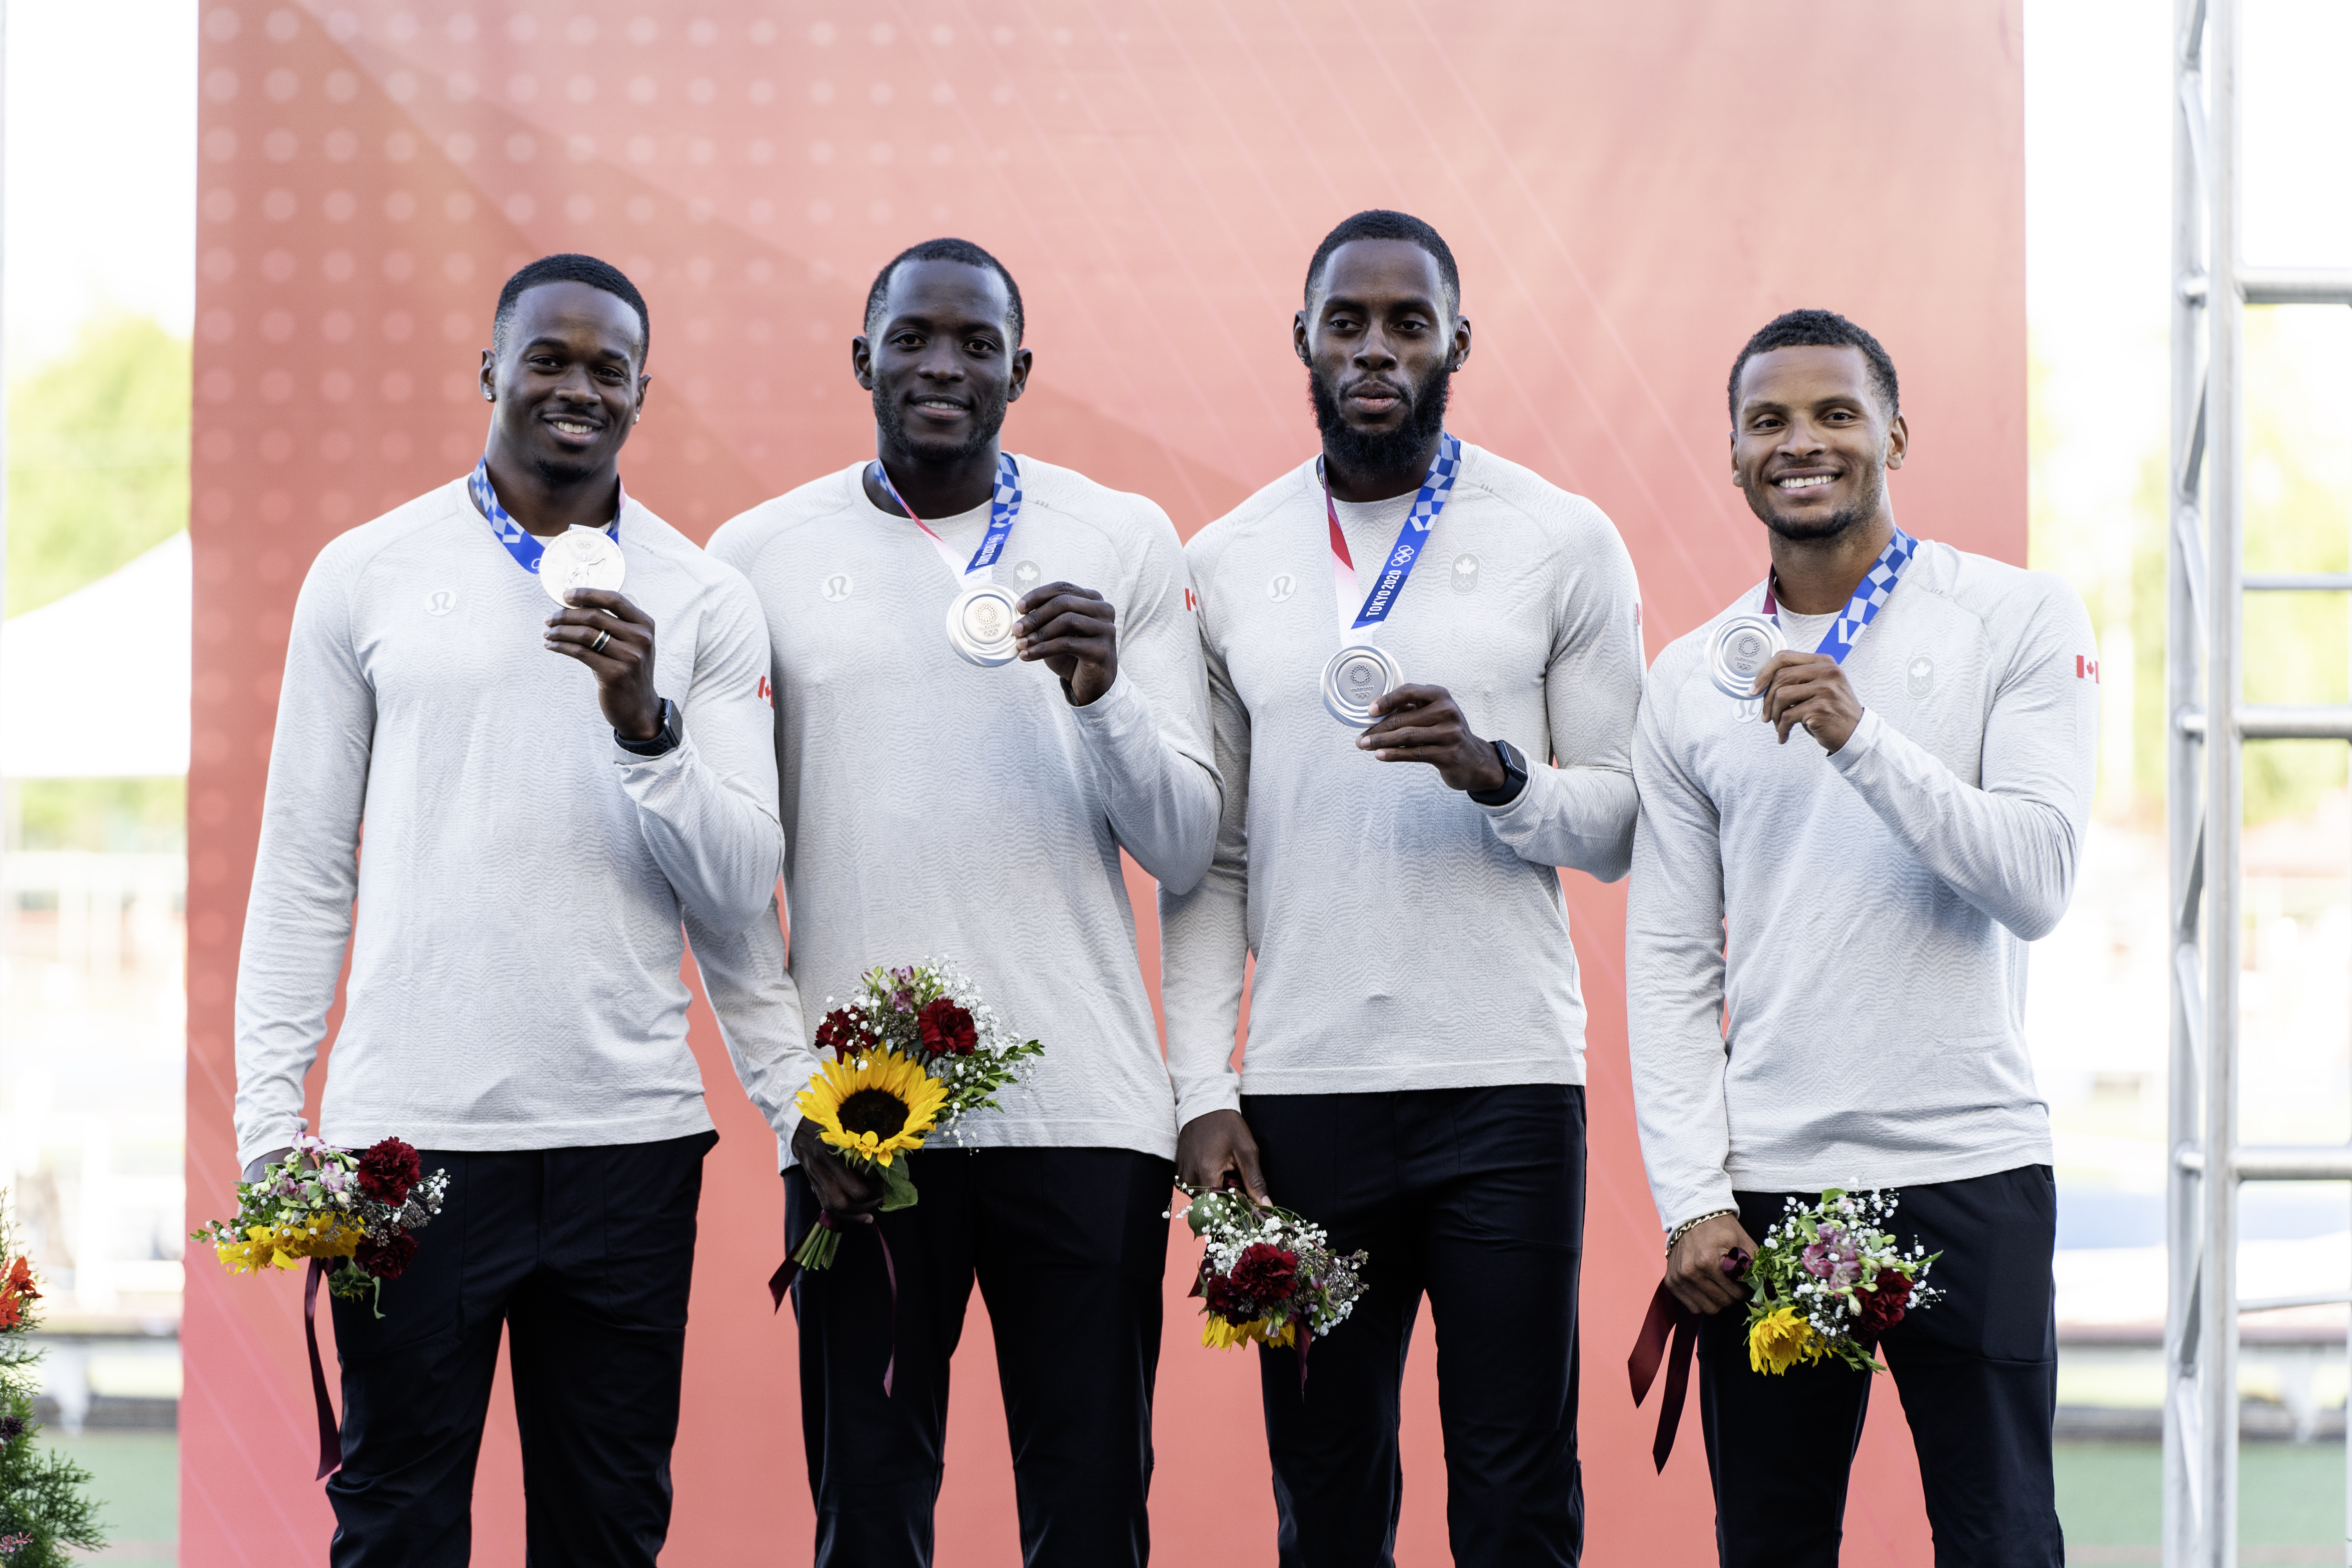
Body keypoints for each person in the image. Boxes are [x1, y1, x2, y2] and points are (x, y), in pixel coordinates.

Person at [233, 254, 803, 1566]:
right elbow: (307, 864)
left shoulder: (705, 597)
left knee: (606, 1531)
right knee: (395, 1524)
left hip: (626, 1146)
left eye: (609, 369)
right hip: (408, 1147)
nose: (577, 388)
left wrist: (647, 728)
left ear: (643, 395)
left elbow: (733, 890)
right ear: (490, 369)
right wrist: (274, 1123)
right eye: (548, 358)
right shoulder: (367, 571)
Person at [703, 236, 1219, 1568]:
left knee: (1093, 1511)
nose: (944, 366)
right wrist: (789, 1104)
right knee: (869, 1514)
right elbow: (724, 879)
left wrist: (1105, 699)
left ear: (1020, 371)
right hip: (865, 1128)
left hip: (1090, 1116)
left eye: (977, 344)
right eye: (916, 338)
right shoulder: (752, 557)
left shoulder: (1123, 538)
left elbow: (1184, 844)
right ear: (862, 355)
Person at [1159, 209, 1645, 1568]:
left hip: (1505, 1087)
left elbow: (1620, 823)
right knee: (1325, 1488)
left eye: (1408, 324)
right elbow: (1215, 858)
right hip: (1306, 1102)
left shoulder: (1563, 537)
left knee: (1515, 1485)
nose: (1377, 349)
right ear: (1303, 342)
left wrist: (1500, 777)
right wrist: (1204, 1092)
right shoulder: (1228, 557)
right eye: (1349, 323)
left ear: (1457, 344)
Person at [1629, 308, 2094, 1567]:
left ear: (1896, 431)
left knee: (2001, 1540)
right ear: (1732, 454)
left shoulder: (2018, 617)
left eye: (1837, 413)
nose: (1804, 443)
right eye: (1768, 420)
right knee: (1773, 1544)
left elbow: (2040, 881)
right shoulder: (1687, 681)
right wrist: (1691, 1199)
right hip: (1775, 1184)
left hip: (1971, 1164)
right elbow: (1673, 969)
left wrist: (1860, 736)